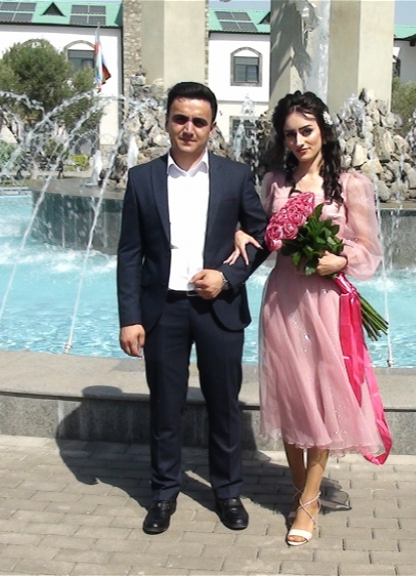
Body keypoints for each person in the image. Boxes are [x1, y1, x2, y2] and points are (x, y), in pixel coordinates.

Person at [228, 91, 390, 546]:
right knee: (289, 395)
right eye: (290, 134)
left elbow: (369, 249)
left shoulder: (351, 184)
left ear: (323, 131)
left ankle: (308, 503)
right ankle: (302, 488)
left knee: (321, 396)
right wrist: (242, 233)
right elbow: (263, 234)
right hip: (283, 299)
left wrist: (341, 260)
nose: (298, 141)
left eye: (306, 131)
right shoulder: (275, 182)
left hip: (326, 302)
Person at [117, 81, 268, 535]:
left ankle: (227, 492)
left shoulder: (234, 176)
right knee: (165, 407)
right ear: (167, 121)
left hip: (218, 308)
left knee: (224, 406)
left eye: (198, 121)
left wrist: (228, 276)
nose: (189, 128)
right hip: (162, 311)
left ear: (212, 127)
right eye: (180, 119)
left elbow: (262, 236)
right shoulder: (142, 178)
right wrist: (130, 318)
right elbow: (129, 253)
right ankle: (164, 493)